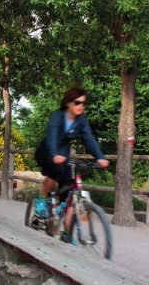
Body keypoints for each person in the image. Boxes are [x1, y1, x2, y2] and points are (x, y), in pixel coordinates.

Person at [35, 86, 109, 242]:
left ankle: (66, 234)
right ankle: (40, 200)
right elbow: (51, 135)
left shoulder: (81, 120)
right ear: (68, 102)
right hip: (47, 150)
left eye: (83, 103)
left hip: (63, 153)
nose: (81, 105)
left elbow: (89, 138)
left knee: (69, 192)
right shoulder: (57, 116)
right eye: (77, 102)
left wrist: (100, 157)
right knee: (53, 173)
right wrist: (54, 154)